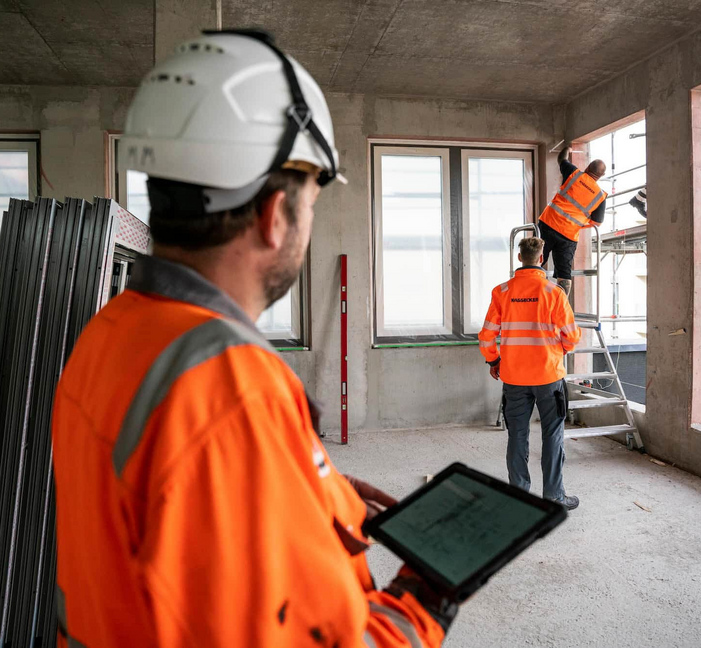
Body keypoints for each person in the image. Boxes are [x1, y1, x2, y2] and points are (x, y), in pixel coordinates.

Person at [51, 29, 456, 648]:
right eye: (312, 205)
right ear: (274, 215)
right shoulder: (233, 389)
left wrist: (307, 492)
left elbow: (174, 514)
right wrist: (424, 599)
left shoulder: (111, 333)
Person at [478, 237, 582, 510]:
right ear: (541, 259)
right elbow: (571, 338)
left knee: (517, 436)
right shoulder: (554, 291)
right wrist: (559, 349)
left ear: (519, 258)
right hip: (549, 377)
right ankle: (554, 497)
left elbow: (487, 335)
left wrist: (494, 361)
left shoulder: (501, 291)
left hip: (514, 378)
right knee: (552, 435)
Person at [537, 147, 608, 295]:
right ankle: (561, 307)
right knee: (564, 272)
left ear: (587, 167)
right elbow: (596, 223)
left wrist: (567, 148)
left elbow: (561, 159)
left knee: (536, 260)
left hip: (549, 223)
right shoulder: (600, 197)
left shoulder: (574, 173)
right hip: (569, 235)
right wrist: (577, 223)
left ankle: (530, 296)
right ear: (602, 176)